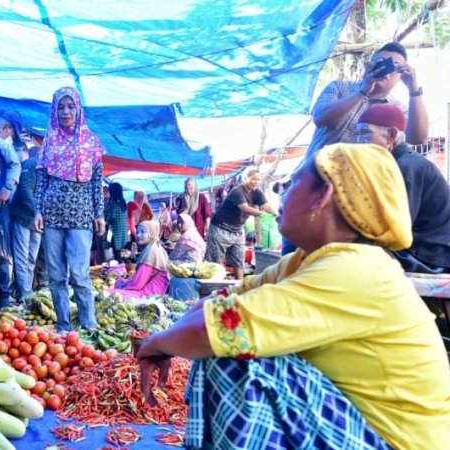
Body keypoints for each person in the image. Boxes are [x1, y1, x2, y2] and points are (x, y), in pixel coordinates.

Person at [137, 143, 450, 450]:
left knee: (233, 356)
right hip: (358, 430)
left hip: (396, 442)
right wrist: (168, 339)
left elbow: (216, 329)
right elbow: (220, 302)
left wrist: (156, 344)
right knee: (226, 336)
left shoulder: (355, 270)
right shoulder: (304, 260)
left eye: (294, 182)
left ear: (322, 196)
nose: (281, 194)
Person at [34, 86, 105, 331]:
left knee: (80, 273)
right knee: (55, 275)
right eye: (61, 107)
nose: (66, 112)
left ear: (78, 109)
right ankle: (64, 327)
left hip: (81, 215)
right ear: (54, 111)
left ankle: (89, 325)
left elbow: (97, 182)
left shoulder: (91, 142)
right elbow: (41, 181)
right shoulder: (48, 142)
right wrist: (38, 211)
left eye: (70, 106)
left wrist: (99, 214)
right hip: (52, 215)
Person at [355, 104, 450, 273]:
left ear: (391, 134)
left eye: (365, 133)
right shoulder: (396, 164)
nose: (358, 142)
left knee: (352, 249)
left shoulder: (406, 167)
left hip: (429, 257)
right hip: (418, 251)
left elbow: (392, 230)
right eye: (358, 134)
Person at [307, 42, 428, 158]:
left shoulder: (397, 109)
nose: (385, 71)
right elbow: (319, 118)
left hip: (356, 178)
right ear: (367, 67)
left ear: (401, 76)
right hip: (313, 173)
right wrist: (362, 91)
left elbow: (418, 139)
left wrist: (413, 89)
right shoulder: (339, 87)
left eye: (394, 67)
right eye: (380, 63)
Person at [205, 168, 276, 279]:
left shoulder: (257, 192)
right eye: (253, 179)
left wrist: (277, 213)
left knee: (239, 260)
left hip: (237, 229)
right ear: (245, 179)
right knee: (214, 262)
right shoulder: (237, 191)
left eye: (258, 179)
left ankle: (240, 285)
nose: (256, 182)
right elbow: (245, 208)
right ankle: (212, 288)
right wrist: (262, 214)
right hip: (220, 228)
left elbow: (266, 205)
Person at [0, 112, 24, 309]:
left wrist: (7, 188)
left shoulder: (3, 143)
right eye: (12, 134)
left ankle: (1, 298)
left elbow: (15, 165)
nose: (12, 138)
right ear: (5, 128)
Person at [10, 145, 42, 300]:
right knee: (22, 257)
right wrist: (37, 212)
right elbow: (25, 189)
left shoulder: (48, 167)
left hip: (37, 221)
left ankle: (26, 291)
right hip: (24, 217)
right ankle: (24, 292)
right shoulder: (31, 164)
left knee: (31, 258)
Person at [109, 221, 170, 300]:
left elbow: (137, 285)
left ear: (151, 233)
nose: (138, 235)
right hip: (152, 288)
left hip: (149, 294)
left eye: (142, 232)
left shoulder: (151, 252)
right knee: (119, 283)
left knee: (109, 293)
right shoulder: (155, 246)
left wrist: (122, 288)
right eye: (137, 232)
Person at [104, 182, 129, 260]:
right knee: (118, 250)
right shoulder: (123, 201)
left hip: (113, 229)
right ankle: (121, 266)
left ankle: (119, 268)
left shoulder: (113, 201)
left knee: (115, 251)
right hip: (122, 229)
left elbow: (112, 216)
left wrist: (105, 220)